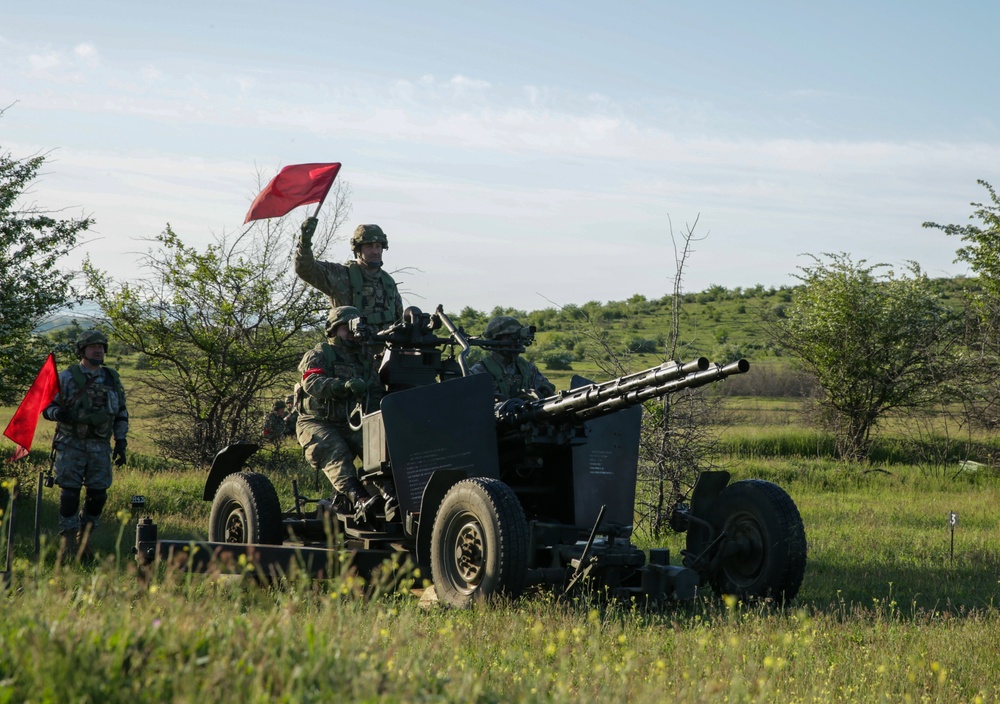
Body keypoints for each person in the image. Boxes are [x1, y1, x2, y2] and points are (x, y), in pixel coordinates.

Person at [295, 306, 395, 522]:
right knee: (335, 451)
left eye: (355, 329)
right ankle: (360, 499)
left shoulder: (366, 359)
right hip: (318, 422)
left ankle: (390, 495)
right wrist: (343, 386)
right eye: (346, 328)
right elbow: (312, 382)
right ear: (333, 330)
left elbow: (376, 391)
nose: (351, 333)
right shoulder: (319, 354)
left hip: (354, 422)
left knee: (378, 450)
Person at [42, 329, 129, 554]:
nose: (98, 350)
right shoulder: (67, 377)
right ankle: (68, 541)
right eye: (93, 347)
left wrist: (121, 442)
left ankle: (85, 538)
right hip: (71, 443)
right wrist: (57, 414)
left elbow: (120, 412)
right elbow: (47, 407)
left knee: (98, 494)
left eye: (101, 347)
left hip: (100, 446)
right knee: (70, 493)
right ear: (82, 351)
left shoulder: (111, 378)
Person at [295, 219, 404, 330]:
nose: (375, 251)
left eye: (378, 246)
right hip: (350, 345)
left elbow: (400, 320)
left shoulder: (388, 282)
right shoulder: (340, 275)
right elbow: (305, 269)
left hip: (385, 346)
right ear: (357, 250)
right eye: (369, 246)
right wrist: (305, 243)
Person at [470, 316, 556, 401]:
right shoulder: (479, 371)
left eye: (518, 338)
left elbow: (547, 393)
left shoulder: (528, 369)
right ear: (494, 340)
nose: (516, 342)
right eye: (509, 337)